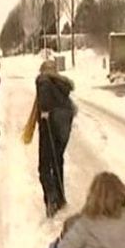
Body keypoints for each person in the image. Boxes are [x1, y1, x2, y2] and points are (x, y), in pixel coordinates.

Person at [34, 60, 76, 218]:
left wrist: (44, 110)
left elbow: (44, 98)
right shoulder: (61, 84)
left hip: (50, 123)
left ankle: (51, 199)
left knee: (44, 165)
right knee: (57, 160)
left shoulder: (43, 80)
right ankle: (61, 197)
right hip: (64, 123)